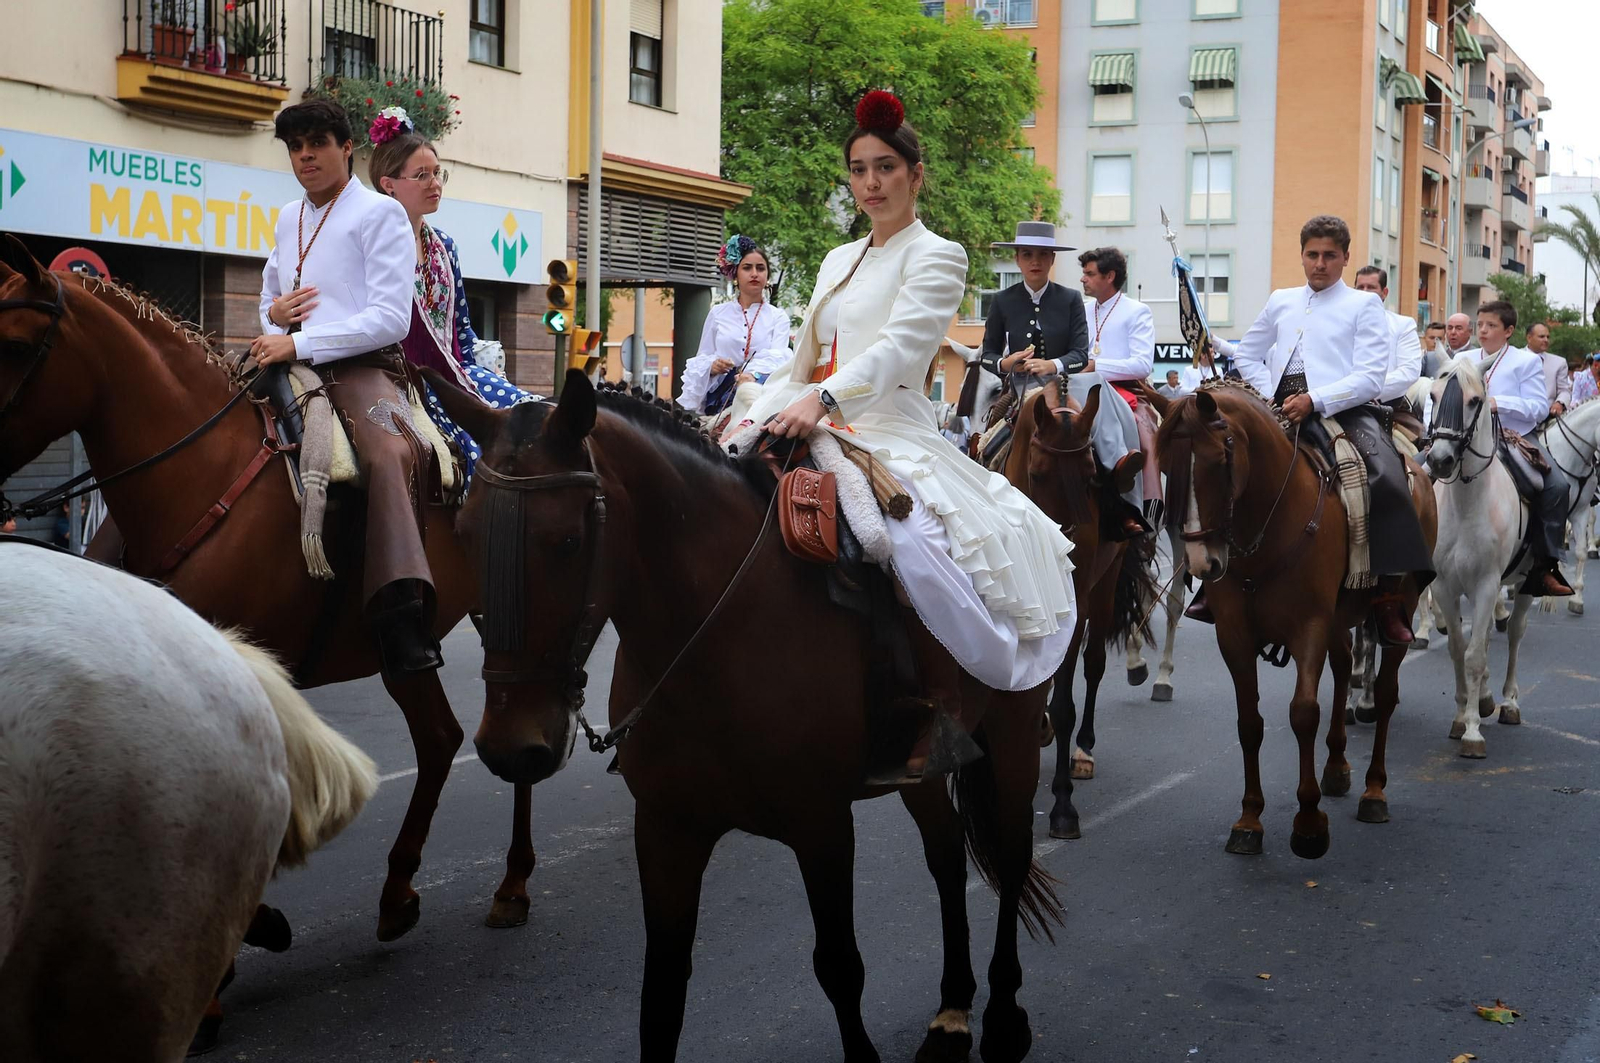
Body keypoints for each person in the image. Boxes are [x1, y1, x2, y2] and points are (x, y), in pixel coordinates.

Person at [742, 90, 1075, 781]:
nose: (870, 183)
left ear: (915, 174)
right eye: (859, 169)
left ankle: (942, 698)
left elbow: (899, 347)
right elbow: (806, 350)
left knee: (909, 537)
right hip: (806, 404)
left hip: (886, 425)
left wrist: (822, 397)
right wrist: (762, 394)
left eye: (885, 168)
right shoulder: (836, 258)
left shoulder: (939, 255)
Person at [254, 98, 440, 677]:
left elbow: (392, 320)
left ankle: (402, 608)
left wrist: (297, 343)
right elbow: (268, 304)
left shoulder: (379, 213)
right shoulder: (289, 217)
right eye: (295, 147)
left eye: (317, 144)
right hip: (290, 359)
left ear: (347, 147)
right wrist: (276, 317)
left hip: (363, 369)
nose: (305, 156)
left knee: (387, 454)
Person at [1192, 215, 1434, 644]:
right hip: (1279, 412)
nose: (1319, 263)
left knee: (1389, 480)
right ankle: (1215, 585)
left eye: (1329, 256)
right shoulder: (1281, 300)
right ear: (1302, 256)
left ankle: (1386, 597)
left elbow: (1371, 377)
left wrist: (1315, 400)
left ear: (1344, 259)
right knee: (1225, 471)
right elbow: (1248, 354)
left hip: (1346, 412)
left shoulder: (1364, 305)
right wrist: (1270, 399)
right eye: (1312, 255)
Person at [366, 113, 536, 482]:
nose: (435, 184)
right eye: (421, 175)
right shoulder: (370, 245)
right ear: (388, 184)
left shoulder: (445, 247)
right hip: (398, 379)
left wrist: (486, 366)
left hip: (456, 373)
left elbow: (461, 330)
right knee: (475, 450)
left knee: (533, 416)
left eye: (438, 173)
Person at [1472, 301, 1574, 596]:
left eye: (1490, 325)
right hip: (1468, 438)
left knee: (1557, 486)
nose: (1483, 330)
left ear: (1509, 331)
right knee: (1415, 472)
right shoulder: (1464, 358)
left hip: (1516, 437)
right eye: (1479, 324)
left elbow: (1538, 407)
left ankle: (1544, 566)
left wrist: (1496, 403)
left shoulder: (1524, 361)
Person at [1074, 246, 1158, 534]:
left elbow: (1142, 364)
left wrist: (1096, 366)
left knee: (1141, 435)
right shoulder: (1081, 310)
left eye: (1089, 274)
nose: (1082, 279)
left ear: (1109, 276)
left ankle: (1131, 505)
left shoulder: (1137, 311)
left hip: (1124, 391)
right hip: (1078, 387)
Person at [678, 235, 792, 418]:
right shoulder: (718, 313)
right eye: (747, 268)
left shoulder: (778, 317)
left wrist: (753, 375)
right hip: (722, 396)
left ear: (767, 276)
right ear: (735, 275)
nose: (754, 273)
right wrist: (713, 366)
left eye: (760, 268)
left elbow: (780, 360)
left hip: (762, 397)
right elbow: (703, 355)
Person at [1524, 322, 1571, 424]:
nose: (1546, 340)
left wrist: (1559, 403)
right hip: (1518, 420)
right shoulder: (1514, 358)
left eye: (1548, 337)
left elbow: (1564, 390)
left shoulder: (1559, 362)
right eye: (1541, 337)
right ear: (1529, 338)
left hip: (1548, 421)